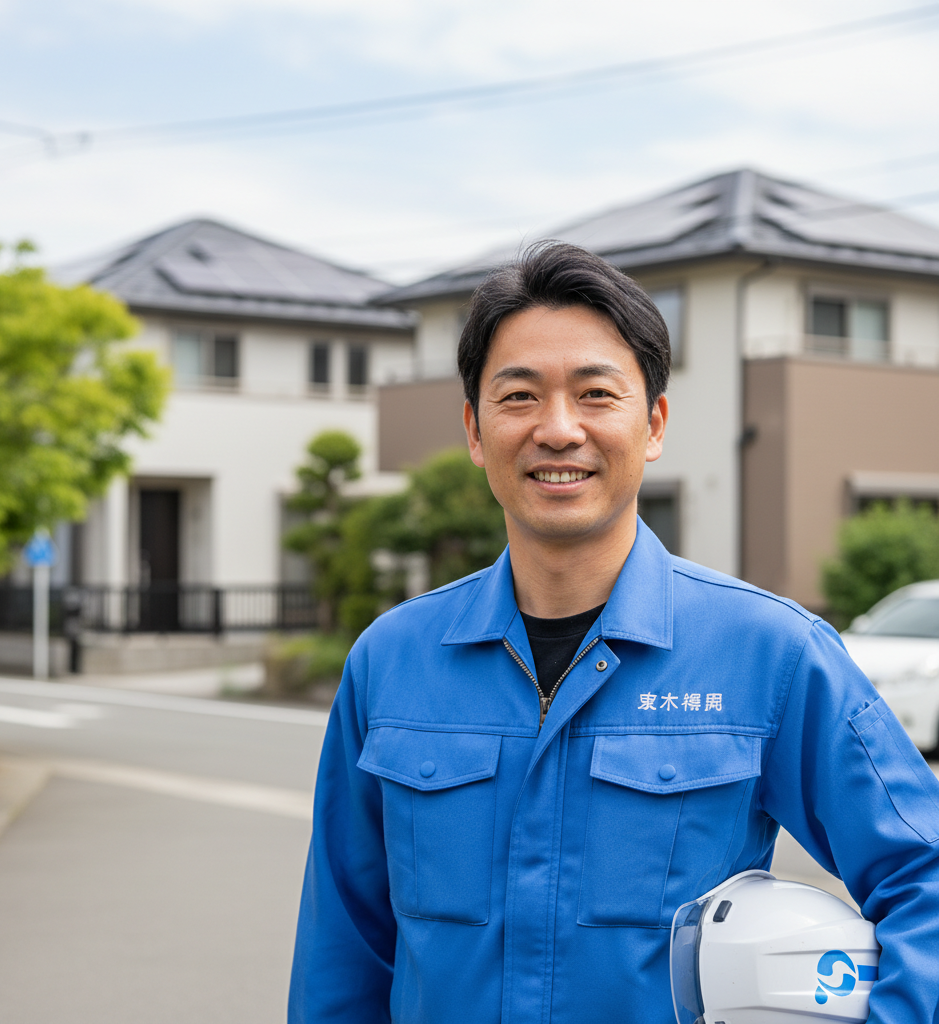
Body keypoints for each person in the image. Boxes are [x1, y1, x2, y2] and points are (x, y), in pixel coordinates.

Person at [288, 242, 939, 1024]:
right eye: (519, 397)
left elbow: (923, 877)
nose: (558, 430)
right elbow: (343, 954)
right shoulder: (390, 663)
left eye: (596, 394)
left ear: (654, 423)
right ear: (473, 429)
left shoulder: (771, 653)